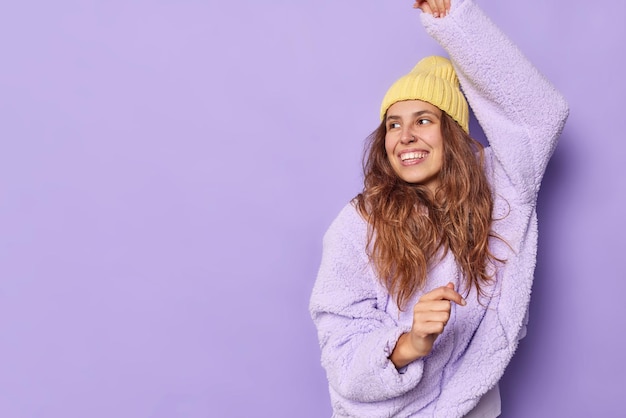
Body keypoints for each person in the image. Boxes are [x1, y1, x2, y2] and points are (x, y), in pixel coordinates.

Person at [309, 0, 569, 417]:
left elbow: (539, 114)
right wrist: (409, 343)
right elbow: (340, 350)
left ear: (453, 133)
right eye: (394, 124)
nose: (405, 136)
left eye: (424, 120)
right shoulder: (360, 223)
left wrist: (454, 21)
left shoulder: (502, 192)